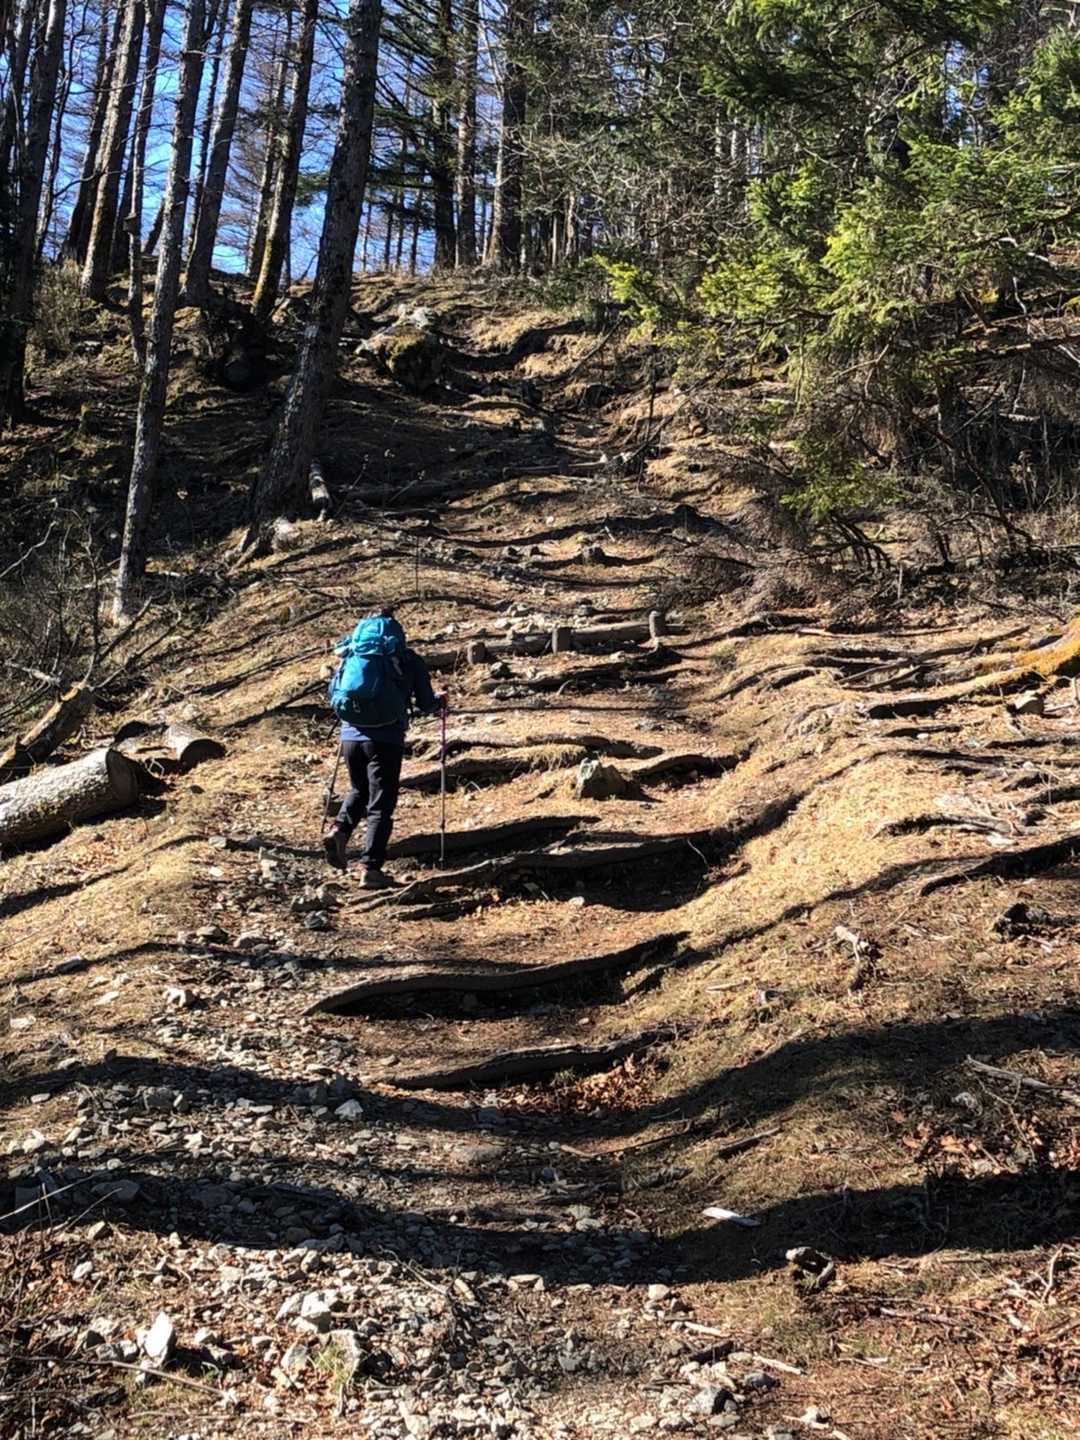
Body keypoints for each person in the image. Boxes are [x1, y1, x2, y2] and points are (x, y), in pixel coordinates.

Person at [323, 608, 445, 888]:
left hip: (351, 737)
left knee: (358, 790)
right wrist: (440, 701)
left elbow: (333, 694)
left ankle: (339, 830)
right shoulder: (407, 659)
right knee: (381, 804)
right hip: (386, 739)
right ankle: (370, 868)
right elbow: (426, 703)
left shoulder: (351, 654)